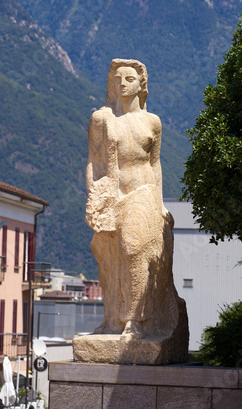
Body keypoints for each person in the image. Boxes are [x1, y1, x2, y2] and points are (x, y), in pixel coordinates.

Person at [86, 59, 184, 340]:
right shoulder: (101, 119)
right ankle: (112, 318)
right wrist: (95, 194)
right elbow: (94, 162)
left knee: (133, 249)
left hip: (142, 193)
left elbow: (155, 165)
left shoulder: (153, 122)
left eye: (129, 78)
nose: (122, 83)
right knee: (106, 256)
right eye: (117, 79)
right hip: (112, 194)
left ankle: (135, 320)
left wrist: (160, 202)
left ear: (142, 84)